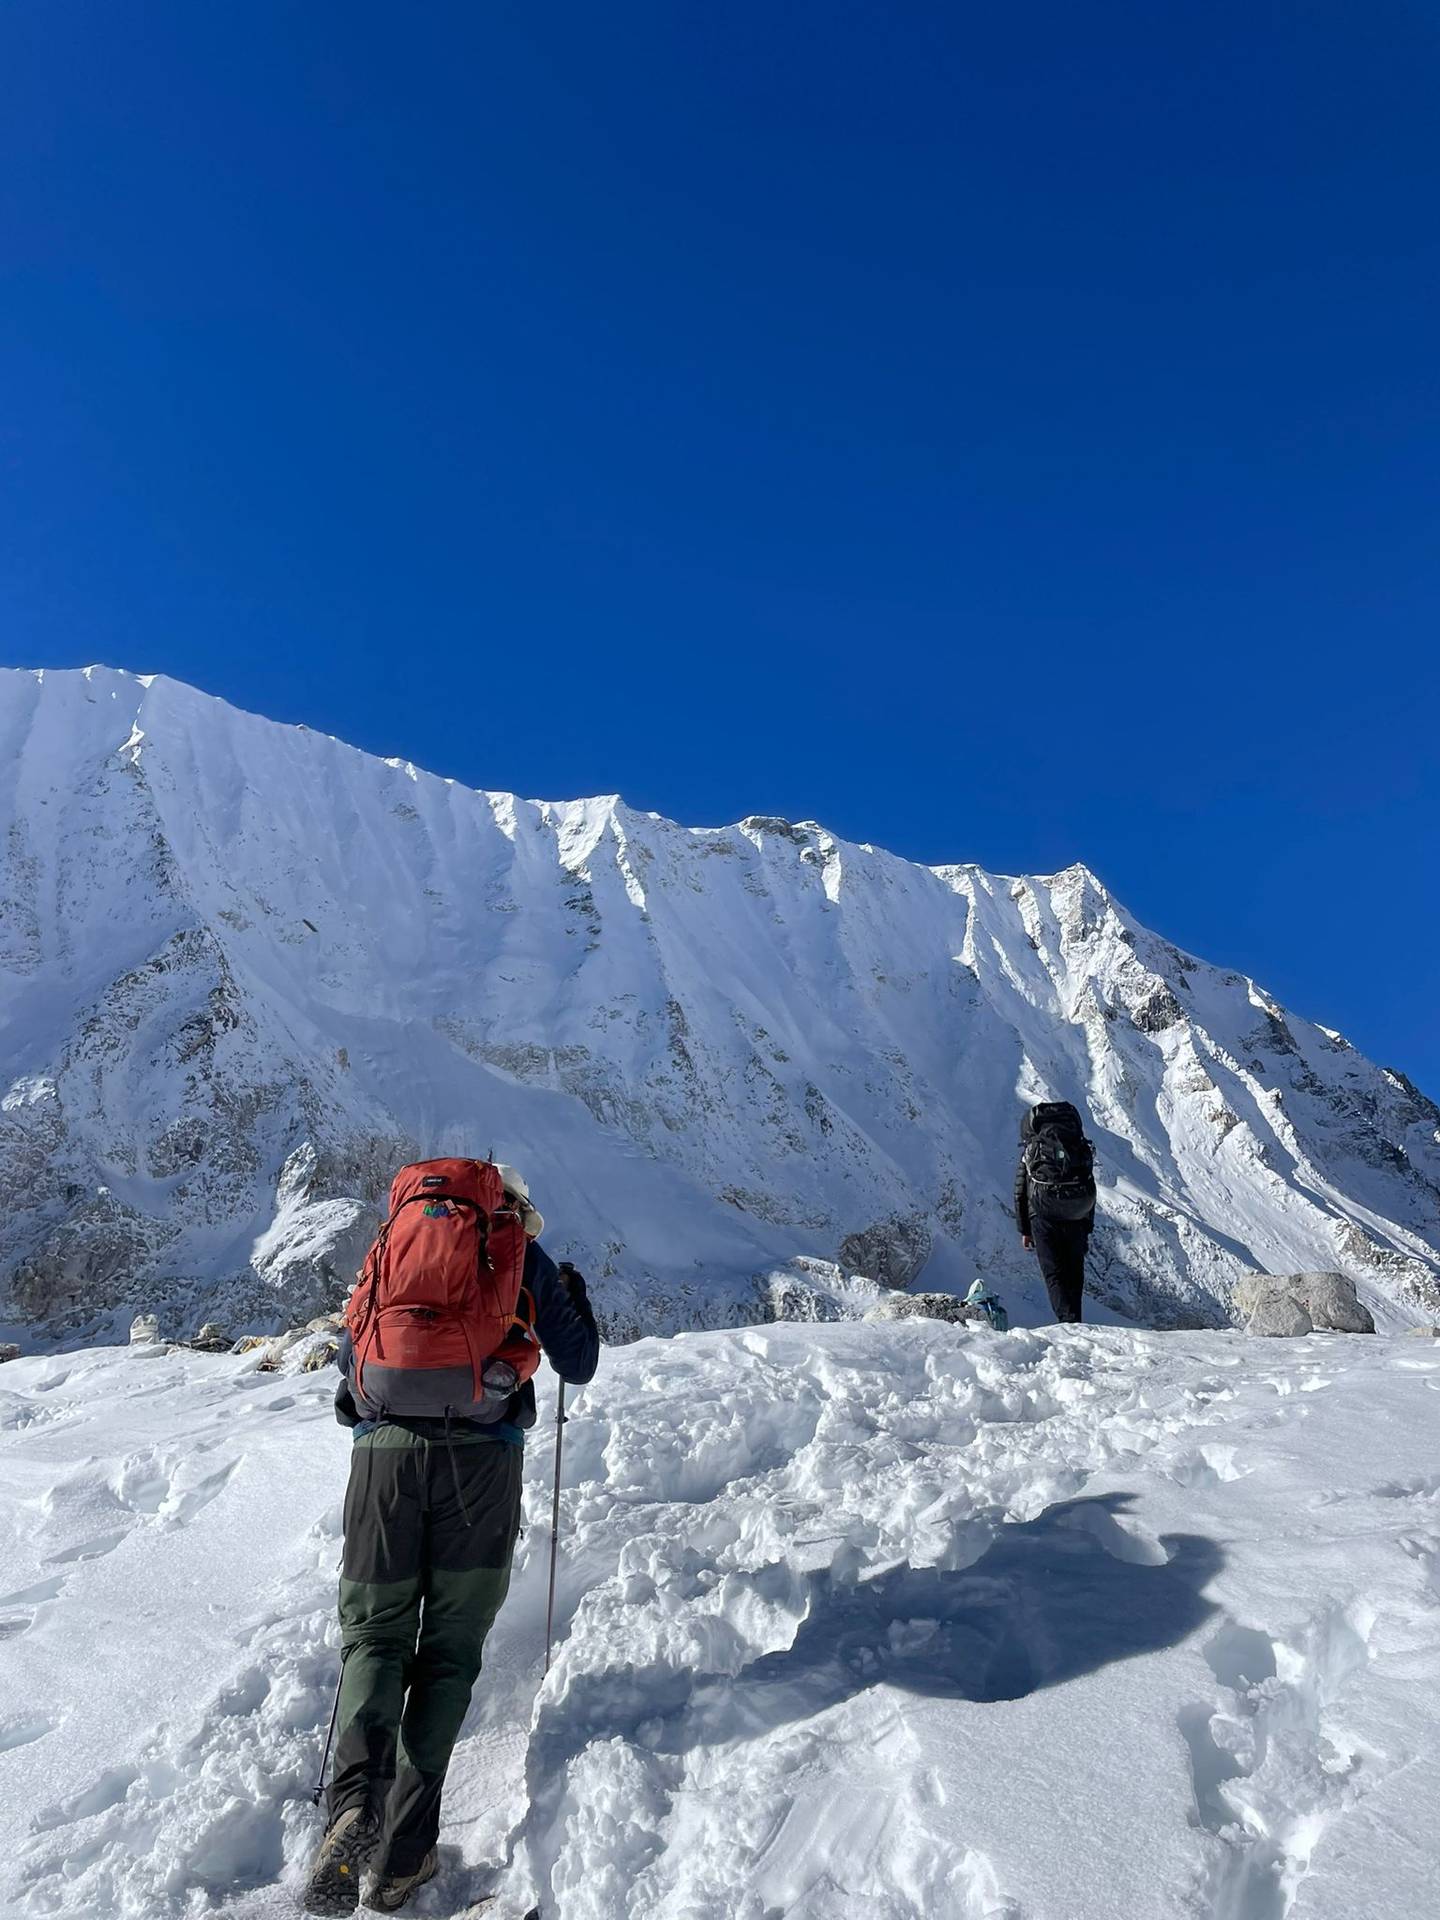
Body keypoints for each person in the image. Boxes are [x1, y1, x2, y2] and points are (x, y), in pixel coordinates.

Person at [302, 1161, 600, 1918]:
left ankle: (351, 1806)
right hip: (481, 1468)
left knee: (374, 1637)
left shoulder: (392, 1248)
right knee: (448, 1652)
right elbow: (579, 1364)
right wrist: (573, 1301)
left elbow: (352, 1366)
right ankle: (404, 1855)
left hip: (383, 1464)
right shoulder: (519, 1253)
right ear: (512, 1209)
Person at [1014, 1102, 1096, 1323]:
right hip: (1077, 1214)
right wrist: (1087, 1225)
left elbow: (1020, 1192)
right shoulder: (1077, 1146)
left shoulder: (1032, 1150)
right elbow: (1089, 1185)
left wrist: (1024, 1230)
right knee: (1074, 1270)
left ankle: (1066, 1321)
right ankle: (1075, 1319)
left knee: (1053, 1272)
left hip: (1043, 1215)